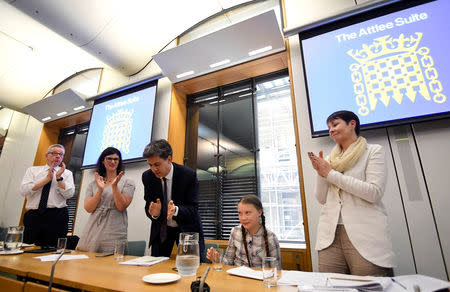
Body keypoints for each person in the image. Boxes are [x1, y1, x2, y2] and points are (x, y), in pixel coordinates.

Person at [308, 110, 395, 276]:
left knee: (368, 286)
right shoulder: (328, 159)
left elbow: (374, 193)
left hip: (365, 236)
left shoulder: (373, 151)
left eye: (335, 124)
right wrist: (321, 173)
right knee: (330, 287)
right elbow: (321, 198)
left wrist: (331, 174)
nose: (331, 130)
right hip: (330, 236)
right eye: (329, 127)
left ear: (352, 124)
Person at [142, 139, 205, 260]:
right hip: (162, 230)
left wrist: (175, 210)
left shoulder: (188, 175)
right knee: (156, 268)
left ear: (169, 159)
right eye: (150, 165)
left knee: (191, 268)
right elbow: (148, 206)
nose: (153, 169)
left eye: (157, 164)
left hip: (187, 228)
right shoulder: (147, 177)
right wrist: (155, 214)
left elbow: (193, 209)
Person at [76, 147, 135, 253]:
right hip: (93, 227)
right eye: (109, 158)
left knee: (112, 261)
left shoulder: (128, 182)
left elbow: (121, 206)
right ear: (103, 161)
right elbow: (89, 208)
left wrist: (115, 186)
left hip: (114, 228)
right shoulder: (93, 183)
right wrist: (100, 190)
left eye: (116, 159)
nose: (113, 161)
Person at [20, 144, 75, 247]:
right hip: (34, 215)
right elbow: (24, 190)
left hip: (57, 216)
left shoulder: (67, 173)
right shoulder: (32, 170)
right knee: (29, 248)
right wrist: (46, 180)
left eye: (61, 154)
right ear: (46, 155)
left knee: (55, 249)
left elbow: (69, 194)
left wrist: (58, 178)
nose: (58, 156)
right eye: (54, 153)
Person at [207, 194, 281, 268]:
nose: (243, 218)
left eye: (247, 213)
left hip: (260, 278)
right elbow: (228, 262)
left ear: (259, 212)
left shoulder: (271, 238)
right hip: (237, 278)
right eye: (240, 213)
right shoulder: (235, 232)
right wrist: (217, 259)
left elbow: (277, 271)